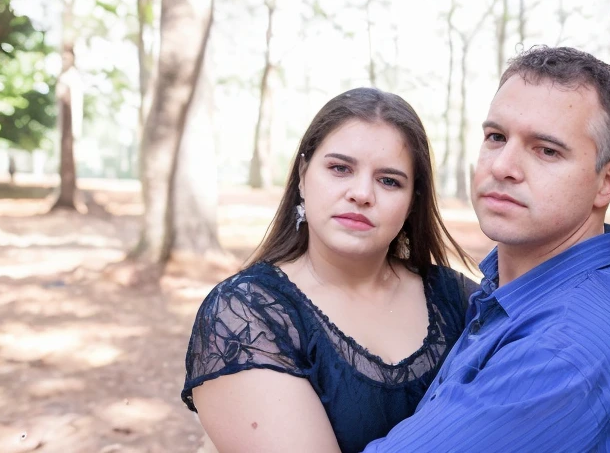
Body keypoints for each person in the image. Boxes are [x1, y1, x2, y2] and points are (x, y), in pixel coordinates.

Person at [363, 46, 610, 452]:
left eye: (546, 150)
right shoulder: (521, 291)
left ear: (608, 181)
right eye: (496, 137)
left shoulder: (565, 352)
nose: (502, 165)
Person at [181, 88, 478, 453]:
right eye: (340, 168)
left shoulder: (461, 301)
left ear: (412, 202)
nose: (361, 193)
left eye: (389, 180)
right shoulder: (245, 316)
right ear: (303, 176)